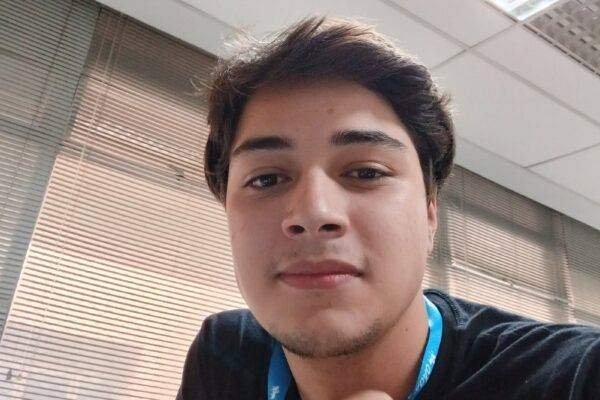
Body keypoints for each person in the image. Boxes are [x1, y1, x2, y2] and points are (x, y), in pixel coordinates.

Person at [176, 16, 600, 400]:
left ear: (430, 213)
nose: (313, 213)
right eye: (266, 179)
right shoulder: (225, 353)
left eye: (366, 173)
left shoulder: (576, 376)